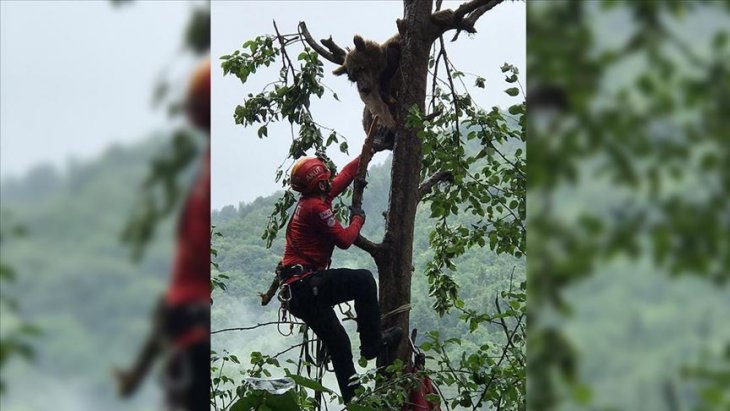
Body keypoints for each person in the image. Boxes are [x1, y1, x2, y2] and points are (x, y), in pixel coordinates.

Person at [114, 58, 210, 411]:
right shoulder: (203, 174)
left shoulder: (204, 176)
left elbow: (189, 267)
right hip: (191, 326)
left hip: (189, 327)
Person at [280, 151, 402, 403]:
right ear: (319, 181)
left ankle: (354, 401)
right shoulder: (316, 207)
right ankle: (372, 343)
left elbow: (346, 175)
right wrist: (357, 218)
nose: (329, 179)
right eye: (325, 176)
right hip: (305, 285)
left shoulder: (313, 198)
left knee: (339, 345)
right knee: (364, 281)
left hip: (298, 293)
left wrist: (370, 149)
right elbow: (345, 240)